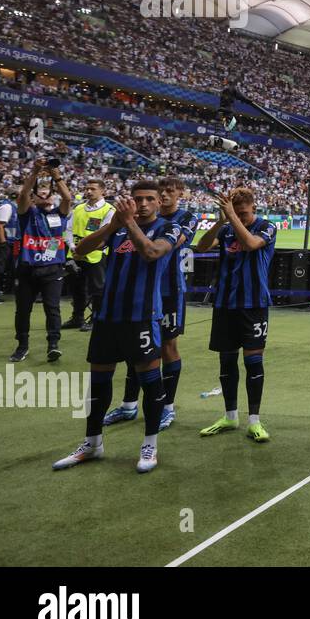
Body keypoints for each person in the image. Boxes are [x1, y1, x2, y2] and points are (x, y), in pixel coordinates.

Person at [52, 181, 178, 473]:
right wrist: (112, 226)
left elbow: (151, 253)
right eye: (137, 199)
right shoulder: (118, 228)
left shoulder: (167, 228)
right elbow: (81, 251)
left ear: (159, 202)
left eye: (149, 199)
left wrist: (129, 222)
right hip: (108, 317)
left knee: (150, 382)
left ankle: (150, 444)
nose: (143, 204)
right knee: (98, 381)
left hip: (143, 317)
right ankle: (92, 443)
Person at [102, 177, 200, 430]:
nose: (166, 195)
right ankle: (128, 404)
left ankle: (167, 406)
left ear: (179, 194)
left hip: (168, 290)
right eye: (162, 191)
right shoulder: (136, 218)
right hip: (138, 290)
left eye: (170, 191)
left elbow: (172, 244)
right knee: (134, 350)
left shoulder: (185, 219)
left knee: (167, 346)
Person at [195, 187, 277, 443]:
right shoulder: (226, 227)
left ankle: (254, 420)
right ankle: (230, 415)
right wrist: (221, 221)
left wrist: (232, 217)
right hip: (224, 304)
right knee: (227, 362)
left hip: (253, 305)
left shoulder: (267, 226)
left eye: (243, 213)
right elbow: (201, 246)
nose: (239, 218)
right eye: (236, 213)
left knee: (253, 362)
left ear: (253, 206)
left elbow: (252, 244)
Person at [11, 159, 72, 363]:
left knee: (52, 309)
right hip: (27, 270)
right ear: (34, 199)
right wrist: (35, 173)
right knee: (23, 310)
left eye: (49, 193)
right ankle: (22, 345)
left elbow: (67, 197)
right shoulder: (27, 214)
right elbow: (22, 195)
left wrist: (56, 175)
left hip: (53, 270)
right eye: (41, 194)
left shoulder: (59, 214)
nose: (46, 196)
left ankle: (53, 345)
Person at [63, 179, 114, 332]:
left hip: (96, 256)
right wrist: (73, 247)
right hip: (75, 254)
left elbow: (106, 235)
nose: (89, 191)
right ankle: (77, 318)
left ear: (102, 191)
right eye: (87, 188)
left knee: (97, 289)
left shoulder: (109, 210)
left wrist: (81, 250)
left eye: (93, 188)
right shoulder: (78, 208)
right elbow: (68, 230)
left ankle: (96, 318)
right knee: (77, 288)